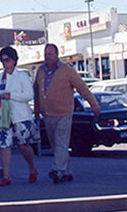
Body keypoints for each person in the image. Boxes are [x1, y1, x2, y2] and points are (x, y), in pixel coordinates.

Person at [34, 43, 101, 184]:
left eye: (50, 54)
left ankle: (56, 169)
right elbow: (36, 91)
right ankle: (66, 171)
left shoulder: (67, 71)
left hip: (64, 113)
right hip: (47, 114)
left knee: (61, 142)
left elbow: (83, 88)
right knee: (56, 145)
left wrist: (94, 105)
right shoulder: (40, 71)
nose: (48, 56)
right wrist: (37, 110)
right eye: (46, 54)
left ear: (57, 55)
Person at [0, 46, 38, 186]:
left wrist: (11, 95)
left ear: (14, 61)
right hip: (3, 117)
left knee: (23, 145)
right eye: (2, 60)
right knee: (4, 145)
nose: (4, 63)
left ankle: (32, 167)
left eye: (7, 60)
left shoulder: (22, 76)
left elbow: (29, 95)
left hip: (20, 116)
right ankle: (6, 176)